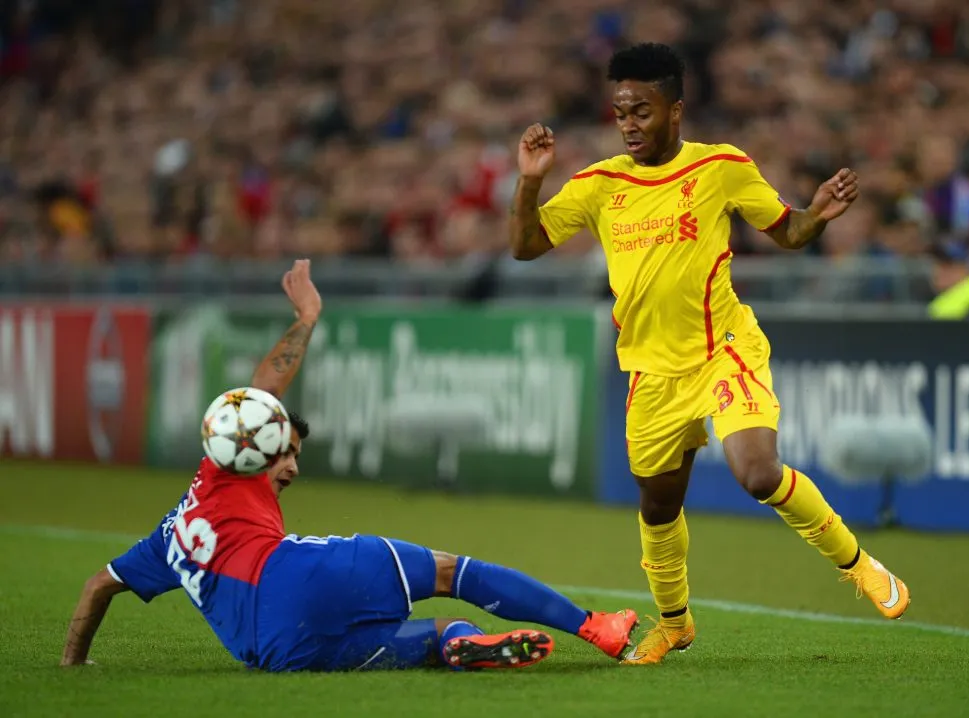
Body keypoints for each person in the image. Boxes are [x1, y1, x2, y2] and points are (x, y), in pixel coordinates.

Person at [508, 43, 910, 666]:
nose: (629, 124)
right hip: (650, 372)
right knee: (659, 505)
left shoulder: (721, 166)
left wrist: (819, 215)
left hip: (724, 349)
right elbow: (526, 246)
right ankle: (674, 623)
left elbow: (789, 230)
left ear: (675, 110)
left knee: (757, 472)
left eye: (641, 110)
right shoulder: (598, 185)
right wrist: (530, 181)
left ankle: (861, 566)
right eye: (620, 113)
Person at [61, 259, 638, 672]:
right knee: (448, 572)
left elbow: (94, 590)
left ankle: (468, 644)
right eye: (287, 453)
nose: (290, 468)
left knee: (431, 639)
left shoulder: (165, 541)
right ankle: (596, 626)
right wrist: (307, 316)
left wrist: (73, 665)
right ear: (260, 447)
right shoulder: (224, 470)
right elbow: (262, 390)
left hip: (275, 652)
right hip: (294, 575)